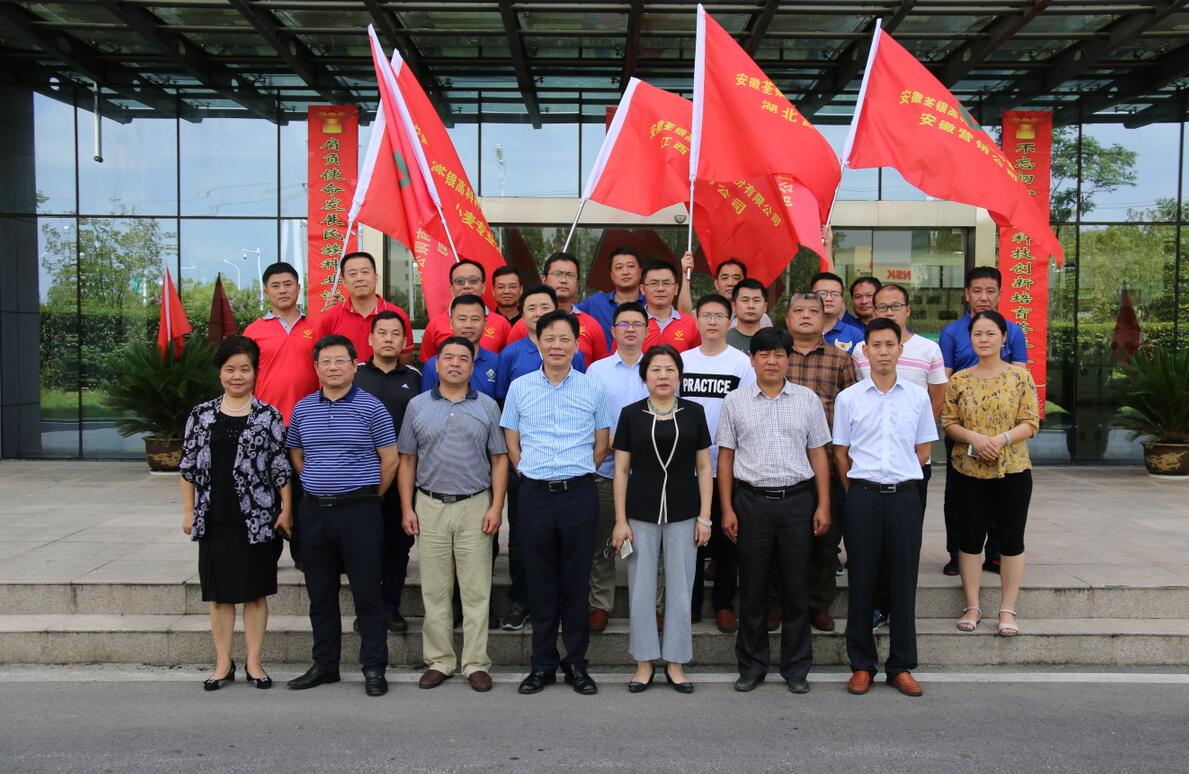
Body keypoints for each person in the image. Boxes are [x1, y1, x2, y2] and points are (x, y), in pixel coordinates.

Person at [501, 310, 611, 696]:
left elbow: (602, 442)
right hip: (534, 495)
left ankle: (577, 664)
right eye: (549, 338)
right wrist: (527, 470)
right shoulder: (520, 387)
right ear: (538, 342)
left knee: (576, 582)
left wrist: (576, 470)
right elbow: (511, 438)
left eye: (565, 339)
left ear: (577, 344)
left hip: (579, 493)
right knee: (541, 582)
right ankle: (542, 664)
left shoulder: (593, 388)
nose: (557, 346)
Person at [717, 327, 832, 695]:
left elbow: (818, 453)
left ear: (788, 359)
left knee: (796, 588)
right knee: (751, 589)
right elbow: (725, 457)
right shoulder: (735, 401)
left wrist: (823, 503)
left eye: (778, 354)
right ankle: (752, 666)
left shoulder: (807, 400)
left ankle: (796, 668)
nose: (771, 361)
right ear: (752, 360)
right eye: (764, 354)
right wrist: (726, 508)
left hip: (798, 502)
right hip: (751, 503)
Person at [285, 334, 398, 697]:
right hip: (315, 512)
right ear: (316, 368)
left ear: (354, 366)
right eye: (325, 362)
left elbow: (390, 460)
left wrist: (368, 496)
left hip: (359, 512)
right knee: (320, 594)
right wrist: (320, 483)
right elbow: (297, 455)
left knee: (368, 593)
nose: (332, 367)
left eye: (340, 361)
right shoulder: (303, 409)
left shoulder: (372, 408)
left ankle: (374, 667)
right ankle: (325, 665)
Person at [179, 335, 292, 691]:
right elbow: (188, 467)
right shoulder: (201, 415)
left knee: (256, 594)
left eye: (245, 369)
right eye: (231, 369)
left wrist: (287, 508)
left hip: (257, 519)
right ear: (220, 373)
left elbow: (280, 468)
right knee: (220, 595)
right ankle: (222, 663)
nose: (237, 376)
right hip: (214, 517)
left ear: (255, 372)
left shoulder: (268, 416)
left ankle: (254, 663)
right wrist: (188, 511)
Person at [398, 336, 509, 693]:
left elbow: (499, 459)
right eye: (449, 357)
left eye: (463, 358)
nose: (456, 363)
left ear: (472, 367)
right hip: (429, 505)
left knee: (476, 591)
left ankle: (475, 663)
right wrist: (407, 507)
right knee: (435, 589)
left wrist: (496, 506)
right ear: (437, 364)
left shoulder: (488, 406)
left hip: (475, 504)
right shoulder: (417, 406)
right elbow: (407, 459)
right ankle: (440, 660)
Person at [833, 318, 937, 698]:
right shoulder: (849, 399)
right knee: (861, 580)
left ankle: (901, 666)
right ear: (865, 351)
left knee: (903, 581)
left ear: (900, 350)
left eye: (889, 345)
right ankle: (861, 665)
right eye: (875, 345)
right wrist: (860, 490)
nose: (882, 352)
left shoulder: (917, 397)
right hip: (863, 496)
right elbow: (841, 453)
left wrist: (899, 479)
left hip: (905, 497)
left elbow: (923, 449)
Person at [611, 345, 712, 694]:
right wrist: (620, 520)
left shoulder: (694, 412)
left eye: (670, 369)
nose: (663, 376)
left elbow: (704, 467)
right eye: (656, 370)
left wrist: (705, 517)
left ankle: (676, 662)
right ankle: (643, 662)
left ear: (680, 375)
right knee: (641, 588)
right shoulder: (630, 414)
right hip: (640, 511)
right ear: (645, 376)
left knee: (681, 588)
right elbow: (621, 470)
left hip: (685, 511)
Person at [850, 283, 947, 629]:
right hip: (871, 467)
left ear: (907, 310)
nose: (888, 312)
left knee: (905, 543)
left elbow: (936, 398)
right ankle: (878, 605)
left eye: (895, 306)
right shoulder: (861, 351)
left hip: (911, 465)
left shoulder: (928, 349)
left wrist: (915, 446)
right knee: (872, 545)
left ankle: (899, 607)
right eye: (882, 307)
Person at [494, 284, 586, 632]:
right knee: (522, 540)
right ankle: (522, 601)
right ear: (523, 315)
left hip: (569, 474)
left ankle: (560, 606)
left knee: (565, 545)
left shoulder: (576, 360)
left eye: (544, 307)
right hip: (526, 472)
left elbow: (591, 426)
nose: (537, 313)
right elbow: (506, 415)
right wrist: (520, 464)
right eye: (530, 308)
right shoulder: (512, 356)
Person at [942, 310, 1039, 638]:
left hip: (1012, 469)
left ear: (1004, 338)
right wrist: (975, 439)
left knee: (1011, 539)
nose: (983, 339)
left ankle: (1007, 609)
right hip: (969, 470)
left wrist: (1000, 440)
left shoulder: (1020, 377)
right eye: (977, 334)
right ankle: (972, 605)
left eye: (990, 333)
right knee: (970, 539)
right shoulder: (959, 380)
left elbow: (1031, 421)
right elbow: (949, 422)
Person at [938, 267, 1029, 576]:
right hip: (964, 430)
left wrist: (1001, 435)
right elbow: (946, 378)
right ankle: (957, 552)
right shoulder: (952, 332)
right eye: (977, 290)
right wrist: (967, 432)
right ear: (967, 294)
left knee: (1001, 495)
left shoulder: (1012, 331)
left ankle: (995, 553)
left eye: (990, 290)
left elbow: (1019, 379)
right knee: (959, 497)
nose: (983, 296)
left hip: (1004, 433)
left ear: (1000, 294)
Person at [785, 292, 858, 633]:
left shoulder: (840, 360)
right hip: (781, 466)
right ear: (787, 319)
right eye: (798, 311)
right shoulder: (775, 356)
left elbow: (854, 412)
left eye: (812, 311)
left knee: (825, 541)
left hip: (826, 465)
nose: (805, 316)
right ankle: (777, 603)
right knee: (780, 542)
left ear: (823, 317)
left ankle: (819, 605)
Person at [682, 293, 755, 633]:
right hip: (688, 467)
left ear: (730, 321)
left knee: (728, 538)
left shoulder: (741, 364)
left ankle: (724, 603)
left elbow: (749, 411)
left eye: (719, 316)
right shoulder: (682, 361)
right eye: (706, 315)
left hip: (728, 466)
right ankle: (691, 604)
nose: (712, 322)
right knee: (690, 540)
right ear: (696, 320)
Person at [243, 261, 318, 567]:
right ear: (266, 292)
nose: (283, 290)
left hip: (307, 424)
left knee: (303, 491)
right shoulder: (254, 331)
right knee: (267, 490)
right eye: (276, 286)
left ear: (298, 288)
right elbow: (244, 375)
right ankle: (267, 555)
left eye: (288, 284)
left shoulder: (316, 326)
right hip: (267, 423)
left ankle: (304, 554)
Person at [352, 311, 422, 634]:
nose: (389, 339)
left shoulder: (415, 377)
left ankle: (391, 607)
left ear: (405, 341)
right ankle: (366, 610)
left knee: (397, 544)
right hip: (361, 475)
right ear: (370, 339)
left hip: (403, 475)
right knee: (363, 546)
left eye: (396, 334)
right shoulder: (354, 374)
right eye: (382, 333)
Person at [584, 302, 650, 632]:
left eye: (637, 324)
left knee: (650, 543)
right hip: (607, 469)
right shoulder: (597, 371)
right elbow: (588, 415)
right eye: (624, 324)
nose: (631, 329)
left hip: (649, 472)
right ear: (613, 331)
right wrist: (610, 442)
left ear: (647, 330)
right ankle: (600, 603)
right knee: (604, 542)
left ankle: (652, 605)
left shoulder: (657, 367)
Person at [505, 253, 609, 365]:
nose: (563, 280)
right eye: (558, 274)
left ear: (577, 283)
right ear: (544, 279)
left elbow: (600, 368)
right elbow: (510, 361)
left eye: (570, 275)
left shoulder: (592, 325)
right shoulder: (525, 324)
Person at [317, 251, 413, 364]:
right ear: (344, 282)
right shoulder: (330, 317)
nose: (359, 278)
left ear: (375, 277)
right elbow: (321, 360)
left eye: (365, 272)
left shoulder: (398, 316)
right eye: (353, 274)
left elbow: (405, 362)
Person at [419, 259, 511, 360]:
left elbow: (510, 362)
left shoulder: (502, 324)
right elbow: (427, 364)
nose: (466, 286)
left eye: (473, 281)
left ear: (483, 287)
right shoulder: (434, 325)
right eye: (460, 281)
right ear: (451, 289)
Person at [421, 294, 500, 399]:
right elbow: (426, 403)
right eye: (462, 319)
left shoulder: (497, 362)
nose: (468, 325)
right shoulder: (433, 365)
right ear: (451, 323)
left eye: (475, 319)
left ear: (485, 324)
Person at [678, 255, 774, 328]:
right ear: (716, 283)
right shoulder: (703, 313)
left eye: (736, 278)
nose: (730, 283)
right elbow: (684, 317)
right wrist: (685, 274)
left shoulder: (761, 318)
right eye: (724, 278)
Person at [578, 246, 645, 344]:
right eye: (619, 268)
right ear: (611, 275)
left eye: (631, 266)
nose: (625, 272)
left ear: (640, 271)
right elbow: (568, 314)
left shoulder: (650, 303)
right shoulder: (595, 303)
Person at [642, 259, 700, 352]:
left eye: (666, 283)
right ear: (643, 289)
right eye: (654, 283)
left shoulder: (691, 324)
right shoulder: (632, 323)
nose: (660, 288)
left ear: (676, 288)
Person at [810, 272, 864, 354]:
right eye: (822, 293)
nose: (828, 298)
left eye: (835, 294)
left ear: (842, 299)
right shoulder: (799, 331)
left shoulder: (855, 335)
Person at [726, 279, 768, 354]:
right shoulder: (722, 341)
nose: (751, 306)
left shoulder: (773, 342)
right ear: (734, 306)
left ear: (765, 307)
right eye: (745, 300)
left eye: (756, 300)